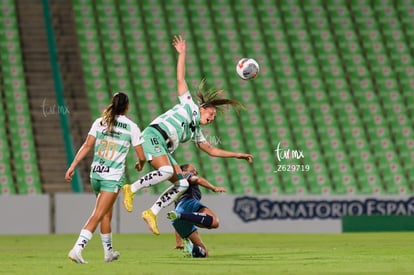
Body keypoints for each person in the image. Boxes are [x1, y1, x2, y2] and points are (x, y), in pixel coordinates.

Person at [122, 35, 253, 235]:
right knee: (167, 171)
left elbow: (211, 150)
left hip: (163, 147)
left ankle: (151, 212)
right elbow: (180, 79)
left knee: (183, 183)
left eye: (214, 118)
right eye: (212, 114)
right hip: (153, 134)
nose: (212, 118)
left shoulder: (195, 131)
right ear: (203, 107)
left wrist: (238, 155)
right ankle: (131, 188)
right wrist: (182, 53)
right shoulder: (188, 104)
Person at [65, 92, 146, 264]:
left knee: (106, 214)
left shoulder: (100, 121)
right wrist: (141, 164)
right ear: (127, 107)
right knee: (99, 213)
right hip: (112, 177)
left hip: (96, 174)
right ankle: (77, 249)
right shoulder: (131, 127)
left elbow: (87, 145)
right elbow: (142, 155)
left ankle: (108, 253)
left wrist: (72, 166)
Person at [167, 164, 226, 258]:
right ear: (184, 170)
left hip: (179, 217)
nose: (196, 172)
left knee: (204, 253)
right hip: (188, 203)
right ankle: (183, 218)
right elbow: (197, 179)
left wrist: (178, 241)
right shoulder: (185, 175)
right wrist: (214, 188)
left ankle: (191, 249)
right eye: (193, 170)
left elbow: (176, 215)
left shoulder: (178, 186)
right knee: (215, 222)